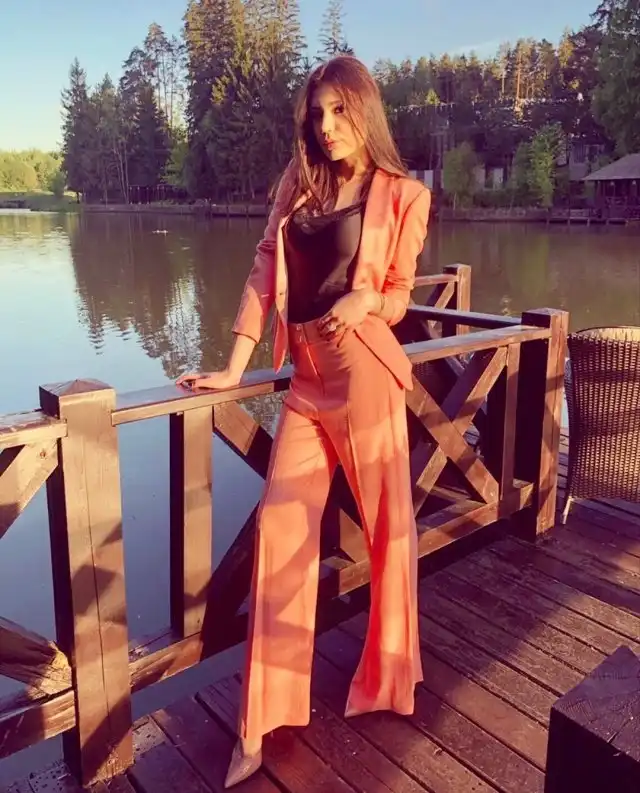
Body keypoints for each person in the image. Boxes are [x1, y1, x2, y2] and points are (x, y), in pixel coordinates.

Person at [176, 54, 431, 789]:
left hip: (366, 372)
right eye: (317, 113)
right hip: (306, 381)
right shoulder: (299, 182)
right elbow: (266, 263)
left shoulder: (404, 194)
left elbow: (400, 292)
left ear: (364, 111)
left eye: (339, 111)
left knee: (388, 534)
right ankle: (260, 721)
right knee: (279, 535)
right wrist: (234, 365)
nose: (326, 126)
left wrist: (367, 300)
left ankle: (390, 675)